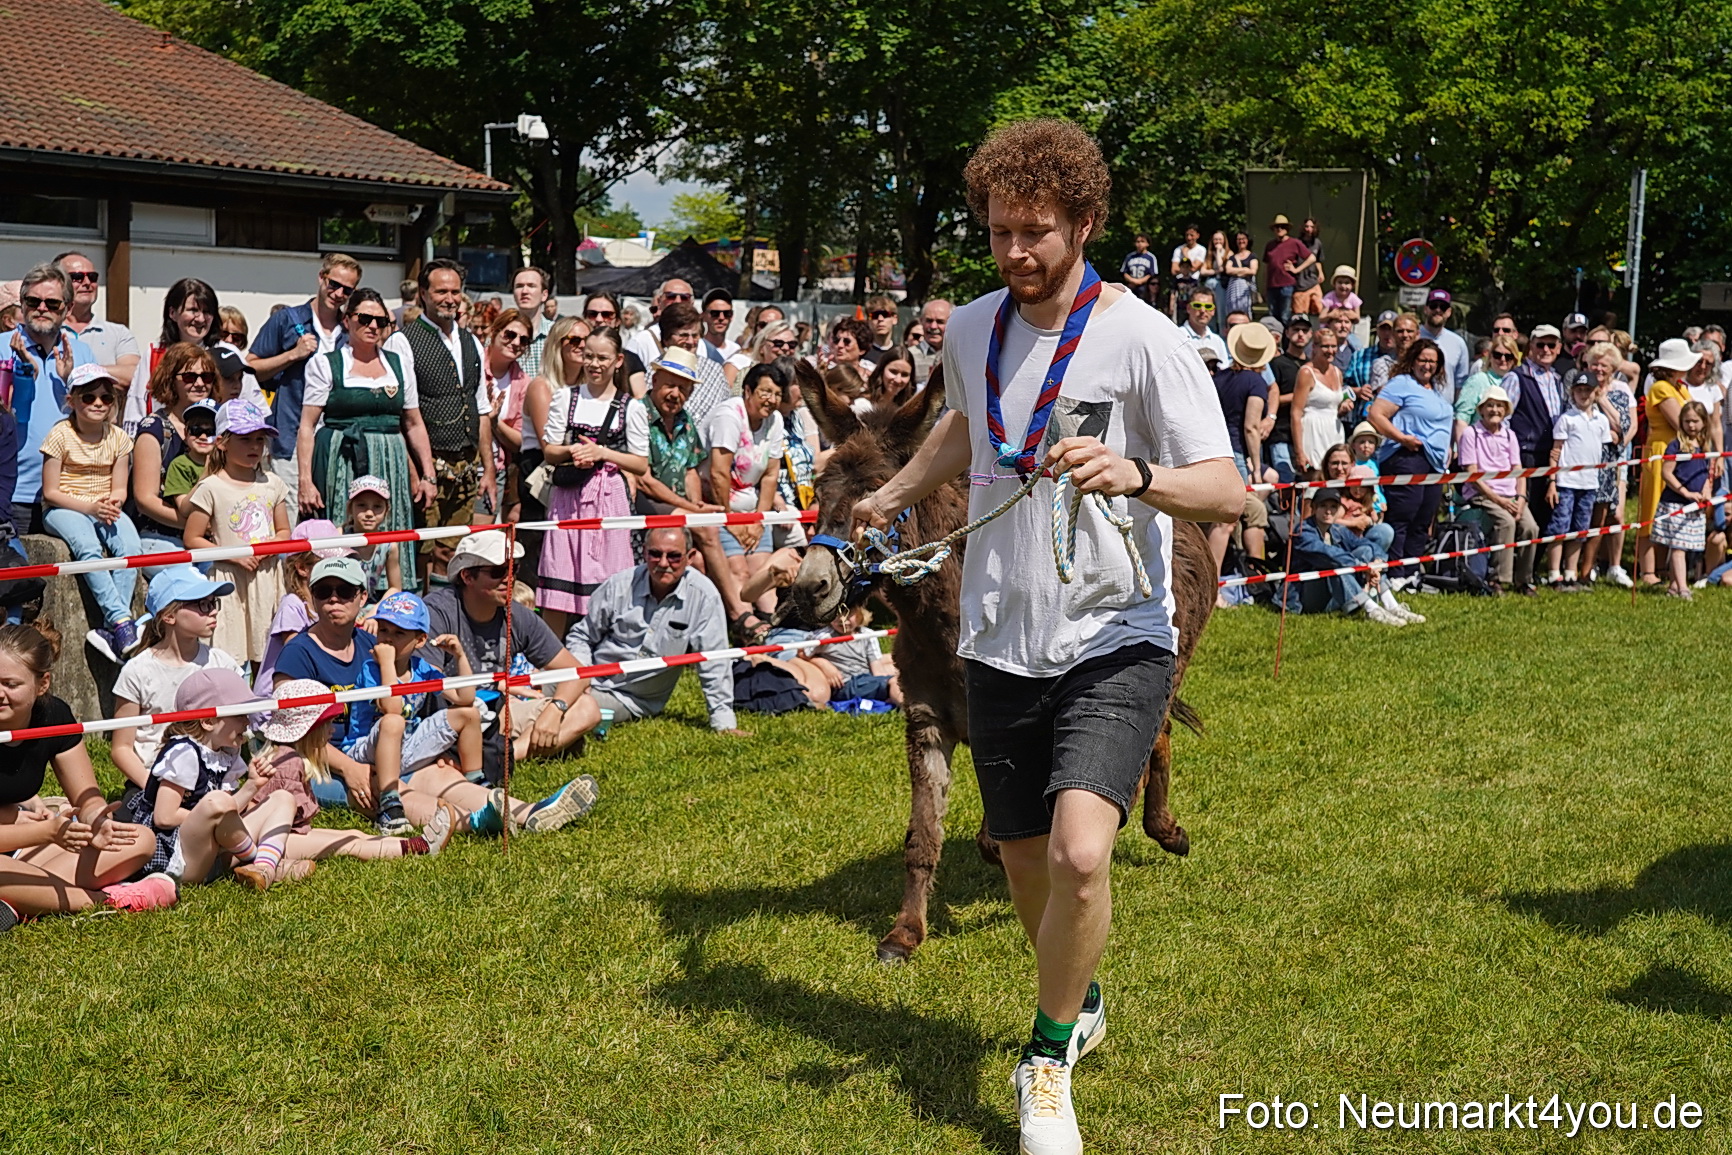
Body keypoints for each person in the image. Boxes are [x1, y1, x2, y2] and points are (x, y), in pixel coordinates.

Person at [847, 118, 1241, 1155]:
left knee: (1076, 854)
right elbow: (970, 426)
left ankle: (1045, 1058)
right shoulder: (973, 324)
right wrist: (893, 490)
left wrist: (1139, 475)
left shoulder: (1144, 336)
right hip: (1000, 635)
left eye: (1035, 231)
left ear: (1085, 222)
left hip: (1115, 632)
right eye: (998, 231)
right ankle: (1082, 996)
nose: (1015, 252)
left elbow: (1229, 489)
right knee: (1023, 858)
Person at [0, 622, 176, 929]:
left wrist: (97, 821)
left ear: (43, 684)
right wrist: (47, 832)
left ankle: (21, 898)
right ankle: (108, 902)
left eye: (10, 684)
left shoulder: (54, 716)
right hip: (22, 839)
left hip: (20, 850)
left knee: (140, 839)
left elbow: (87, 796)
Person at [418, 530, 599, 767]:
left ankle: (508, 755)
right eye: (497, 571)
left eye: (514, 569)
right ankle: (489, 757)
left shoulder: (519, 616)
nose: (509, 578)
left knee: (588, 708)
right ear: (467, 576)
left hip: (499, 714)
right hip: (450, 715)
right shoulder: (436, 612)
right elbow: (429, 687)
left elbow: (577, 674)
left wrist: (555, 710)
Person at [296, 287, 430, 590]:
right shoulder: (326, 363)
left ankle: (389, 596)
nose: (373, 326)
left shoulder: (398, 363)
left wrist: (427, 473)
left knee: (389, 528)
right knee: (344, 527)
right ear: (347, 320)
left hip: (390, 460)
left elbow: (413, 423)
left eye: (381, 322)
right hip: (341, 457)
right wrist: (305, 479)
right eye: (365, 318)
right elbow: (307, 426)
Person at [250, 684, 457, 877]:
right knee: (350, 843)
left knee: (353, 833)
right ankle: (419, 847)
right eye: (327, 724)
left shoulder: (288, 758)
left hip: (289, 833)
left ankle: (413, 842)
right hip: (276, 841)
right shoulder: (288, 765)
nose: (332, 729)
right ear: (308, 731)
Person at [271, 555, 410, 834]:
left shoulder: (372, 644)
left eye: (345, 591)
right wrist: (348, 767)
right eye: (324, 592)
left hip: (371, 750)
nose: (334, 599)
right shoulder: (297, 654)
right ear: (312, 598)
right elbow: (288, 729)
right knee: (393, 786)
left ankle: (506, 810)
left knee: (432, 774)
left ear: (363, 597)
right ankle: (461, 820)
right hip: (318, 761)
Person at [569, 526, 747, 734]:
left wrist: (723, 722)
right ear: (644, 552)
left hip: (628, 699)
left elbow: (714, 660)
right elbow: (582, 636)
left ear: (690, 557)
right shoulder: (620, 584)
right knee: (539, 689)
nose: (663, 563)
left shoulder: (703, 596)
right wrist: (581, 676)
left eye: (673, 556)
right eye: (655, 554)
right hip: (588, 679)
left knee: (561, 705)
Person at [383, 259, 497, 564]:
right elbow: (402, 419)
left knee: (456, 552)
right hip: (427, 467)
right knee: (423, 552)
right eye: (441, 291)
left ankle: (449, 612)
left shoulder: (472, 341)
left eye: (455, 291)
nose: (450, 298)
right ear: (423, 293)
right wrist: (416, 474)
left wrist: (488, 469)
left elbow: (481, 409)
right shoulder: (402, 342)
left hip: (466, 466)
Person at [536, 327, 646, 638]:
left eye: (602, 358)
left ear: (618, 361)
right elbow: (550, 451)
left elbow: (640, 463)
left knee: (610, 585)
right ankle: (549, 661)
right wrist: (572, 451)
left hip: (608, 499)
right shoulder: (566, 398)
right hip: (568, 500)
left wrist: (602, 452)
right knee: (558, 583)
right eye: (589, 356)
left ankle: (606, 658)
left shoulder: (631, 407)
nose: (594, 364)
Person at [39, 364, 143, 660]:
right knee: (87, 546)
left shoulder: (119, 438)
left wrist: (112, 503)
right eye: (88, 397)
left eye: (106, 398)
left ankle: (115, 629)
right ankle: (122, 620)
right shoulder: (60, 435)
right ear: (71, 400)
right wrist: (90, 507)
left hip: (103, 506)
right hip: (64, 507)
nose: (98, 403)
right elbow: (51, 492)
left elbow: (121, 487)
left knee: (131, 548)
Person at [245, 256, 362, 506]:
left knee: (330, 522)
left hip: (336, 443)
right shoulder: (287, 319)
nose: (338, 293)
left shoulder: (350, 330)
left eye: (347, 290)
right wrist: (292, 355)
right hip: (290, 440)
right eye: (333, 284)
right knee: (291, 521)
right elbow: (251, 368)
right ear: (321, 277)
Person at [111, 567, 243, 789]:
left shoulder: (222, 663)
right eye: (202, 604)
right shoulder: (137, 670)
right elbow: (121, 748)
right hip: (155, 779)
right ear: (169, 616)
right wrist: (153, 788)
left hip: (214, 781)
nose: (212, 611)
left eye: (213, 603)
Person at [184, 399, 292, 665]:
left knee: (268, 651)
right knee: (230, 653)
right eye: (245, 439)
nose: (255, 446)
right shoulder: (211, 487)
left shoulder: (273, 483)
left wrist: (267, 549)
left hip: (266, 577)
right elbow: (192, 538)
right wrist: (235, 555)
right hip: (228, 578)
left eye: (259, 439)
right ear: (222, 442)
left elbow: (284, 531)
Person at [9, 262, 95, 535]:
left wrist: (70, 381)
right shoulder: (2, 348)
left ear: (68, 309)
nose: (42, 308)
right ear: (22, 304)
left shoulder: (82, 355)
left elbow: (100, 421)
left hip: (69, 495)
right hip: (12, 493)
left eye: (52, 303)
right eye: (33, 301)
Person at [706, 358, 785, 624]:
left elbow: (771, 473)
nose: (771, 399)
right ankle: (747, 625)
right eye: (765, 391)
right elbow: (718, 472)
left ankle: (774, 626)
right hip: (719, 506)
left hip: (751, 508)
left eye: (777, 394)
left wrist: (758, 521)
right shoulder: (730, 416)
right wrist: (731, 522)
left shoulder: (774, 421)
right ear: (748, 391)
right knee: (738, 569)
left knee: (763, 571)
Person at [1369, 339, 1453, 583]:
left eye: (1432, 362)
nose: (1427, 365)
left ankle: (1412, 571)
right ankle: (1395, 572)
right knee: (1403, 515)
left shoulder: (1436, 392)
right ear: (1413, 360)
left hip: (1434, 463)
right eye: (1423, 360)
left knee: (1423, 519)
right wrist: (1402, 438)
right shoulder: (1401, 384)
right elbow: (1376, 414)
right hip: (1407, 457)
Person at [128, 343, 217, 563]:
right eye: (189, 377)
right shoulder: (154, 429)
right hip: (162, 536)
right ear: (171, 380)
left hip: (211, 536)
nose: (199, 383)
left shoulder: (220, 423)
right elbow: (145, 500)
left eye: (206, 377)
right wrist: (195, 526)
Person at [1207, 322, 1275, 585]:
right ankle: (1214, 587)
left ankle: (1232, 579)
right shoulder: (1256, 382)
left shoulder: (1219, 378)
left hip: (1213, 451)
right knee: (1227, 522)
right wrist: (1256, 467)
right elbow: (1251, 427)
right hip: (1235, 455)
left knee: (1224, 519)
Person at [1456, 387, 1536, 596]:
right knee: (1506, 522)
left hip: (1511, 494)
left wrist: (1520, 498)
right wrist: (1500, 501)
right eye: (1490, 405)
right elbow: (1472, 475)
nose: (1495, 409)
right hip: (1483, 493)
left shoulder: (1510, 435)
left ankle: (1524, 581)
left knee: (1531, 528)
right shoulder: (1470, 434)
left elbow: (1519, 470)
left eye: (1500, 405)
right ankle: (1498, 580)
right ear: (1481, 409)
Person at [1283, 492, 1406, 626]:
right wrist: (1362, 567)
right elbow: (1328, 554)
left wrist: (1377, 562)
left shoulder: (1336, 529)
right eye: (1323, 506)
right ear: (1313, 507)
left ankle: (1392, 606)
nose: (1328, 511)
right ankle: (1372, 610)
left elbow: (1366, 544)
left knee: (1366, 550)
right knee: (1335, 564)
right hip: (1302, 596)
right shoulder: (1303, 532)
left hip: (1332, 592)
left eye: (1333, 507)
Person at [123, 277, 221, 435]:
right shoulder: (155, 353)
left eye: (207, 312)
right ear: (172, 313)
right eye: (193, 310)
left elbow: (251, 406)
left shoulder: (225, 354)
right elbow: (136, 410)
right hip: (162, 448)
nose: (201, 319)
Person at [1576, 342, 1636, 588]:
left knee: (1602, 517)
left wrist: (1603, 400)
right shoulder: (1580, 387)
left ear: (1613, 368)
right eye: (1595, 364)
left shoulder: (1620, 391)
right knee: (1579, 516)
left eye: (1604, 365)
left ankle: (1589, 569)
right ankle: (1571, 568)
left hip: (1609, 463)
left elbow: (1624, 425)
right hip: (1583, 460)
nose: (1599, 369)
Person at [1543, 374, 1611, 589]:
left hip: (1589, 483)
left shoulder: (1601, 420)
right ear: (1572, 393)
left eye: (1588, 390)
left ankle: (1571, 573)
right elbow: (1555, 451)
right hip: (1566, 482)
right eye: (1579, 390)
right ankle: (1554, 574)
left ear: (1596, 393)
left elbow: (1603, 449)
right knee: (1559, 528)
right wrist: (1552, 481)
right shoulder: (1567, 419)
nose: (1584, 394)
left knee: (1580, 529)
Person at [1509, 323, 1570, 545]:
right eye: (1540, 344)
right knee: (1527, 511)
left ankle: (1534, 566)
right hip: (1526, 452)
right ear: (1531, 347)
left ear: (1559, 347)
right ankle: (1520, 566)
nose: (1546, 349)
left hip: (1551, 453)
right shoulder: (1517, 377)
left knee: (1547, 509)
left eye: (1551, 345)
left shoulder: (1557, 379)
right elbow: (1505, 417)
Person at [1654, 402, 1715, 599]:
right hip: (1676, 503)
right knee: (1678, 547)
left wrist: (1706, 491)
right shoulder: (1676, 445)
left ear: (1704, 422)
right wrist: (1686, 492)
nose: (1691, 425)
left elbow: (1706, 474)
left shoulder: (1705, 446)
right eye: (1687, 421)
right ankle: (1683, 588)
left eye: (1695, 421)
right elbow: (1666, 473)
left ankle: (1673, 586)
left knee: (1686, 546)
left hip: (1695, 506)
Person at [53, 251, 139, 386]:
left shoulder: (118, 333)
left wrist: (82, 371)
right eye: (77, 277)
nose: (87, 283)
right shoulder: (47, 330)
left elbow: (134, 374)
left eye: (92, 277)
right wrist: (109, 375)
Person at [481, 308, 534, 524]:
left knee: (479, 542)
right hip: (462, 464)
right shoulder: (472, 363)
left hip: (497, 468)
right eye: (509, 335)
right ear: (494, 332)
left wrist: (495, 423)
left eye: (523, 340)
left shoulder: (523, 383)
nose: (516, 342)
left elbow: (520, 441)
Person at [657, 302, 732, 423]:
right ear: (666, 339)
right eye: (684, 335)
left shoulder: (714, 371)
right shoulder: (654, 371)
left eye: (695, 335)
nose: (691, 342)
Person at [1293, 327, 1349, 474]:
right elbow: (1296, 413)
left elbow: (1332, 404)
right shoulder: (1306, 372)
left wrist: (1343, 406)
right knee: (1315, 479)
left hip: (1334, 431)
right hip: (1313, 432)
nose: (1330, 351)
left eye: (1333, 346)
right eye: (1325, 346)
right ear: (1315, 347)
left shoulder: (1337, 372)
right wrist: (1299, 452)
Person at [1454, 333, 1518, 434]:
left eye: (1508, 356)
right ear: (1490, 356)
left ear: (1515, 359)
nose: (1503, 359)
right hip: (1476, 444)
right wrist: (1462, 447)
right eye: (1497, 355)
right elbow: (1462, 418)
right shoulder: (1478, 380)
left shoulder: (1517, 383)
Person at [624, 278, 695, 367]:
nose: (677, 301)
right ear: (660, 301)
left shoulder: (701, 343)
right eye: (670, 296)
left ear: (692, 302)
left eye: (685, 297)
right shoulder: (642, 341)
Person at [1418, 289, 1470, 401]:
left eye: (1443, 307)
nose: (1438, 310)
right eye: (1433, 306)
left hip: (1445, 412)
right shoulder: (1413, 337)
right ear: (1425, 309)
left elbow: (1460, 383)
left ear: (1449, 312)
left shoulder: (1458, 343)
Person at [509, 266, 556, 379]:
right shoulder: (502, 334)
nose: (525, 291)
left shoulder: (556, 333)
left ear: (544, 295)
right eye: (519, 286)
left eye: (531, 286)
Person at [1262, 214, 1308, 323]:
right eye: (1277, 227)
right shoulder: (1270, 245)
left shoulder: (1294, 243)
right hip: (1271, 286)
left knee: (1285, 316)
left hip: (1287, 284)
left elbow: (1311, 257)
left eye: (1282, 227)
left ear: (1287, 229)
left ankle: (1286, 339)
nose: (1279, 229)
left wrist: (1297, 269)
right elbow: (1266, 266)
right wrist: (1264, 287)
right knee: (1272, 317)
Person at [1178, 289, 1228, 365]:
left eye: (1208, 306)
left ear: (1213, 311)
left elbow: (1223, 370)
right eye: (1197, 305)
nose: (1203, 310)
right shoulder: (1178, 336)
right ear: (1188, 308)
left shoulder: (1218, 341)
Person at [910, 298, 952, 383]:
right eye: (929, 321)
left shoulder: (957, 356)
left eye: (940, 322)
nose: (933, 326)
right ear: (921, 321)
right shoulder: (909, 356)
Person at [1288, 218, 1324, 317]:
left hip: (1313, 281)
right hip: (1300, 283)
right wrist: (1293, 268)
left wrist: (1320, 272)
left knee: (1318, 309)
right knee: (1300, 314)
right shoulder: (1296, 243)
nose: (1309, 229)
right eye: (1307, 226)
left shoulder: (1317, 243)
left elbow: (1318, 260)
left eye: (1312, 227)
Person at [1219, 231, 1258, 320]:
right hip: (1233, 289)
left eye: (1243, 239)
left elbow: (1253, 271)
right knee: (1232, 309)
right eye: (1239, 239)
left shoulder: (1252, 256)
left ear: (1248, 240)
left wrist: (1236, 271)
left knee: (1245, 310)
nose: (1241, 241)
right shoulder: (1233, 257)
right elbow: (1228, 270)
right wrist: (1244, 269)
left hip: (1245, 289)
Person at [1168, 224, 1205, 317]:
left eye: (1192, 235)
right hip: (1179, 284)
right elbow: (1174, 270)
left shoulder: (1201, 250)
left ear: (1197, 235)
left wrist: (1185, 254)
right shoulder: (1178, 249)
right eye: (1187, 235)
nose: (1189, 238)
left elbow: (1194, 268)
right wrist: (1187, 270)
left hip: (1193, 283)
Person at [702, 288, 740, 364]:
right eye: (715, 313)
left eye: (727, 313)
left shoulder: (736, 350)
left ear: (732, 316)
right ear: (703, 316)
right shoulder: (697, 347)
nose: (721, 318)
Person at [1120, 233, 1156, 305]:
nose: (1140, 244)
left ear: (1147, 244)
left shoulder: (1151, 257)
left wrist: (1140, 281)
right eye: (1137, 242)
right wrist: (1132, 280)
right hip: (1131, 286)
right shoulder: (1130, 256)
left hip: (1145, 288)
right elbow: (1124, 272)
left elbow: (1152, 273)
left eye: (1142, 241)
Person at [863, 294, 900, 360]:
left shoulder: (900, 354)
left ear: (894, 319)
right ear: (868, 321)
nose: (880, 319)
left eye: (885, 314)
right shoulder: (861, 353)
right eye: (875, 315)